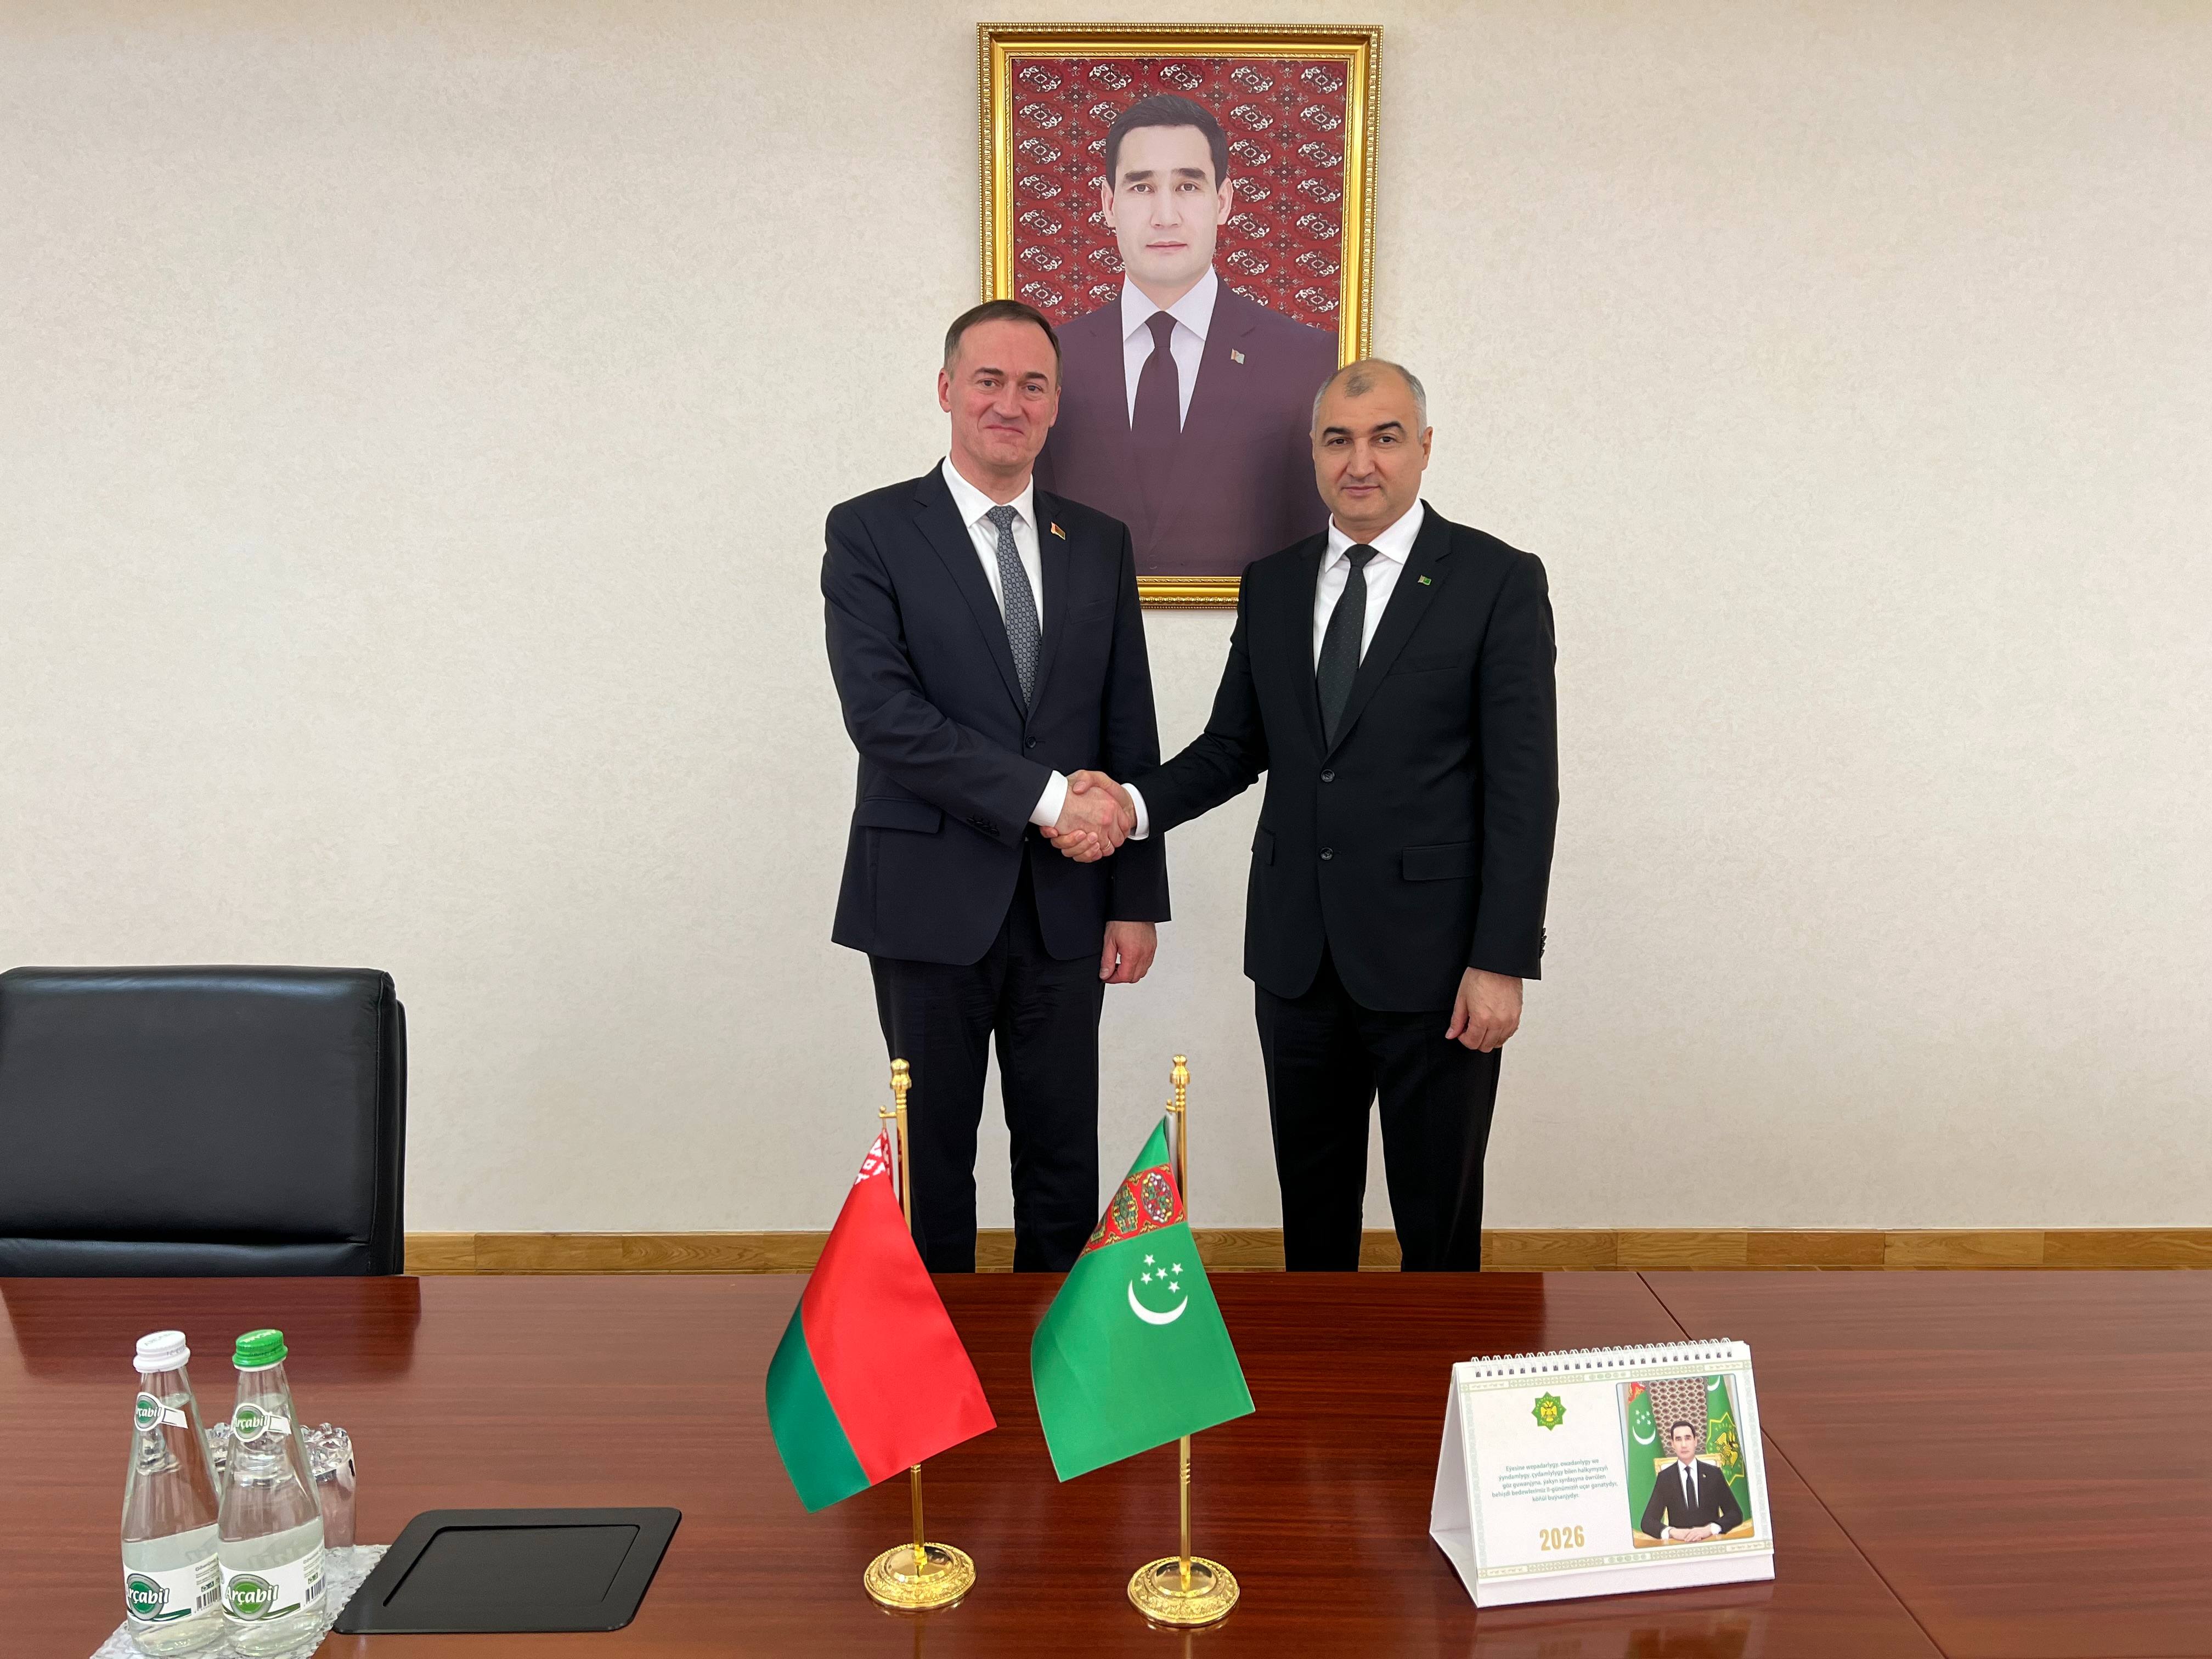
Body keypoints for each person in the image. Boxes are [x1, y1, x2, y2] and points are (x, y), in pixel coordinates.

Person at [1054, 360, 1558, 1271]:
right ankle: (1325, 1365)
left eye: (1384, 437)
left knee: (1437, 1221)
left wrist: (1501, 960)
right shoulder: (1274, 583)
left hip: (1439, 963)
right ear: (1314, 454)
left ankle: (1439, 1366)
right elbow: (1231, 747)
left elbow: (1523, 788)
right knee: (1313, 1219)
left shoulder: (1496, 580)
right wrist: (1129, 805)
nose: (1360, 461)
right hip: (1296, 958)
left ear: (1424, 447)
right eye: (1338, 440)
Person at [822, 298, 1168, 1273]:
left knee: (1063, 1154)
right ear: (946, 390)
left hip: (1068, 905)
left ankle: (1053, 1350)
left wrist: (1136, 897)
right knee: (935, 1160)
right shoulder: (870, 531)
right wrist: (1053, 800)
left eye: (1032, 385)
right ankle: (942, 1353)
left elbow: (1127, 721)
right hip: (925, 899)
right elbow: (885, 717)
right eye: (988, 380)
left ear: (1055, 405)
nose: (1009, 403)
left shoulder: (1097, 541)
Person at [1036, 93, 1341, 580]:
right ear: (1109, 204)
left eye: (1188, 186)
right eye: (1141, 187)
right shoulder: (1052, 357)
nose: (1165, 216)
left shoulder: (1305, 358)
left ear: (1223, 201)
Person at [1639, 1421, 1745, 1541]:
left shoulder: (1713, 1473)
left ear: (1696, 1441)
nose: (1684, 1445)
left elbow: (1735, 1514)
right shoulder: (1665, 1478)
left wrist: (1710, 1529)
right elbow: (1647, 1521)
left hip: (1711, 1542)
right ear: (1672, 1444)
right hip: (1680, 1545)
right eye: (1678, 1439)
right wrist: (1672, 1532)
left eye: (1688, 1438)